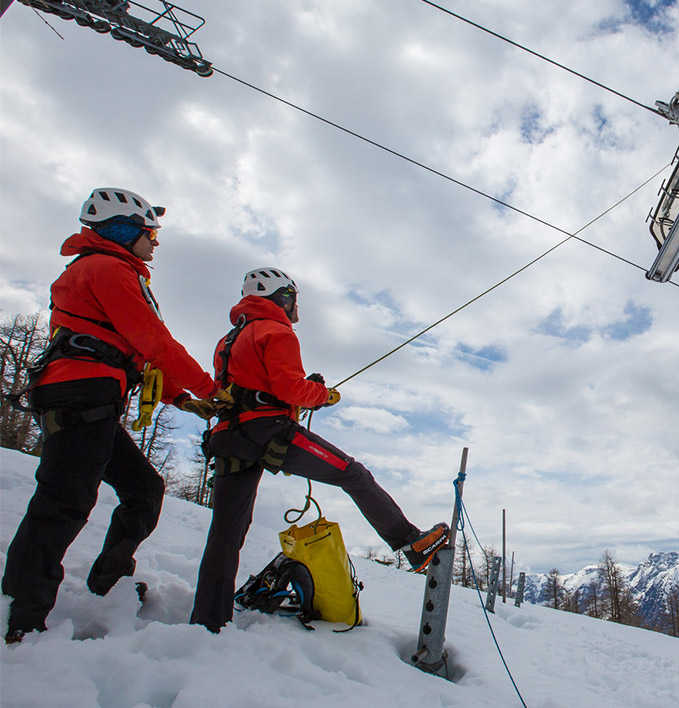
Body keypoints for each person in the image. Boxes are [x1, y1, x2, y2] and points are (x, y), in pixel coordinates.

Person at [3, 188, 226, 644]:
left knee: (143, 489)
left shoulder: (103, 270)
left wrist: (180, 399)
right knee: (63, 502)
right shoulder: (107, 269)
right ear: (124, 230)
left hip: (88, 393)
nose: (155, 243)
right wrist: (210, 389)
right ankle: (21, 616)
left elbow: (119, 348)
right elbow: (152, 340)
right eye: (150, 233)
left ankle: (108, 580)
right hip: (82, 395)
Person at [189, 267, 448, 633]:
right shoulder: (277, 332)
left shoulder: (229, 339)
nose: (297, 308)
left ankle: (207, 621)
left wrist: (301, 391)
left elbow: (253, 385)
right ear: (282, 297)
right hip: (270, 431)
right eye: (294, 298)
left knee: (226, 533)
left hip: (230, 435)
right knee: (353, 473)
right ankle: (410, 543)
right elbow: (291, 391)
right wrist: (323, 395)